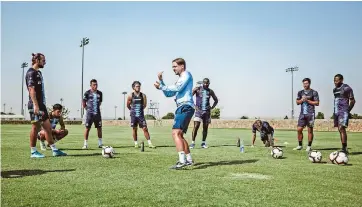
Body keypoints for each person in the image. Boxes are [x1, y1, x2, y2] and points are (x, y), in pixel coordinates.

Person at [154, 58, 195, 169]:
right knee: (180, 134)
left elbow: (178, 88)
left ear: (182, 66)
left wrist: (162, 86)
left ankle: (182, 161)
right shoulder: (180, 79)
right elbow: (168, 94)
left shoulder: (186, 74)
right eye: (172, 67)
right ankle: (189, 160)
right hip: (183, 107)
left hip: (185, 106)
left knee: (175, 133)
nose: (173, 69)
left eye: (175, 66)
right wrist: (161, 82)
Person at [25, 53, 67, 158]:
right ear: (37, 60)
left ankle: (54, 150)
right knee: (35, 127)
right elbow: (31, 90)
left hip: (41, 105)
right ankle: (33, 151)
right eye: (43, 60)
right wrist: (35, 105)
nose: (45, 62)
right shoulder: (31, 73)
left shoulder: (38, 73)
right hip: (35, 104)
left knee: (48, 128)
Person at [190, 78, 218, 149]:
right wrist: (194, 106)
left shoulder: (210, 91)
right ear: (202, 83)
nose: (206, 84)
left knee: (205, 128)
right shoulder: (197, 89)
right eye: (204, 83)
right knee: (196, 126)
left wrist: (212, 107)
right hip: (198, 111)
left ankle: (203, 143)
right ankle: (193, 143)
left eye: (207, 83)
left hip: (207, 112)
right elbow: (189, 97)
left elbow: (216, 100)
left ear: (209, 83)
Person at [127, 81, 156, 148]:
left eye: (139, 86)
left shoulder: (143, 95)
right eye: (137, 86)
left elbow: (144, 105)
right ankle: (136, 143)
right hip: (133, 115)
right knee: (134, 129)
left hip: (141, 115)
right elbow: (128, 105)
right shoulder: (130, 95)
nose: (138, 87)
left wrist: (139, 111)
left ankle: (150, 143)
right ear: (133, 87)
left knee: (145, 128)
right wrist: (132, 111)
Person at [293, 78, 320, 151]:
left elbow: (317, 103)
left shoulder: (314, 92)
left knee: (310, 130)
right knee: (299, 129)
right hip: (302, 114)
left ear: (309, 83)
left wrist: (307, 100)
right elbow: (297, 102)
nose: (305, 85)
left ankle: (309, 146)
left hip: (310, 114)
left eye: (306, 83)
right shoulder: (300, 92)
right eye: (304, 83)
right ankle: (300, 145)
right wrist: (302, 100)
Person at [333, 74, 355, 154]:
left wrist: (347, 110)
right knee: (339, 129)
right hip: (336, 112)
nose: (335, 82)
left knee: (342, 128)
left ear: (342, 80)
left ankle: (344, 149)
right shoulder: (334, 89)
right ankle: (343, 147)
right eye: (334, 80)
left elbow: (353, 101)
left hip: (343, 111)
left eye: (337, 80)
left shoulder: (347, 88)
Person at [82, 79, 103, 149]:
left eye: (96, 84)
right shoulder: (87, 93)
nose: (95, 86)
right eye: (94, 85)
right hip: (89, 114)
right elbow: (84, 103)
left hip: (97, 114)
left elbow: (100, 103)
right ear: (91, 85)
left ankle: (100, 144)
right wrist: (87, 109)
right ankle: (85, 144)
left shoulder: (100, 93)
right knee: (87, 128)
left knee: (99, 128)